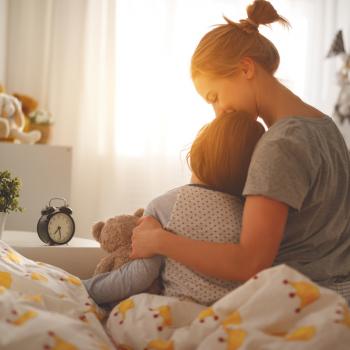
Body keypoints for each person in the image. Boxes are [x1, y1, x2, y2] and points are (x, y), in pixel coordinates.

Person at [130, 0, 350, 305]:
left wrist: (159, 240)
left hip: (296, 301)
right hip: (338, 295)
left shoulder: (279, 146)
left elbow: (249, 262)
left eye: (215, 96)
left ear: (246, 68)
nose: (218, 112)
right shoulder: (325, 127)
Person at [83, 111, 264, 307]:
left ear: (197, 151)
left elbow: (138, 277)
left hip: (179, 311)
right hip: (231, 315)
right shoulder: (251, 213)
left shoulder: (164, 206)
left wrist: (84, 288)